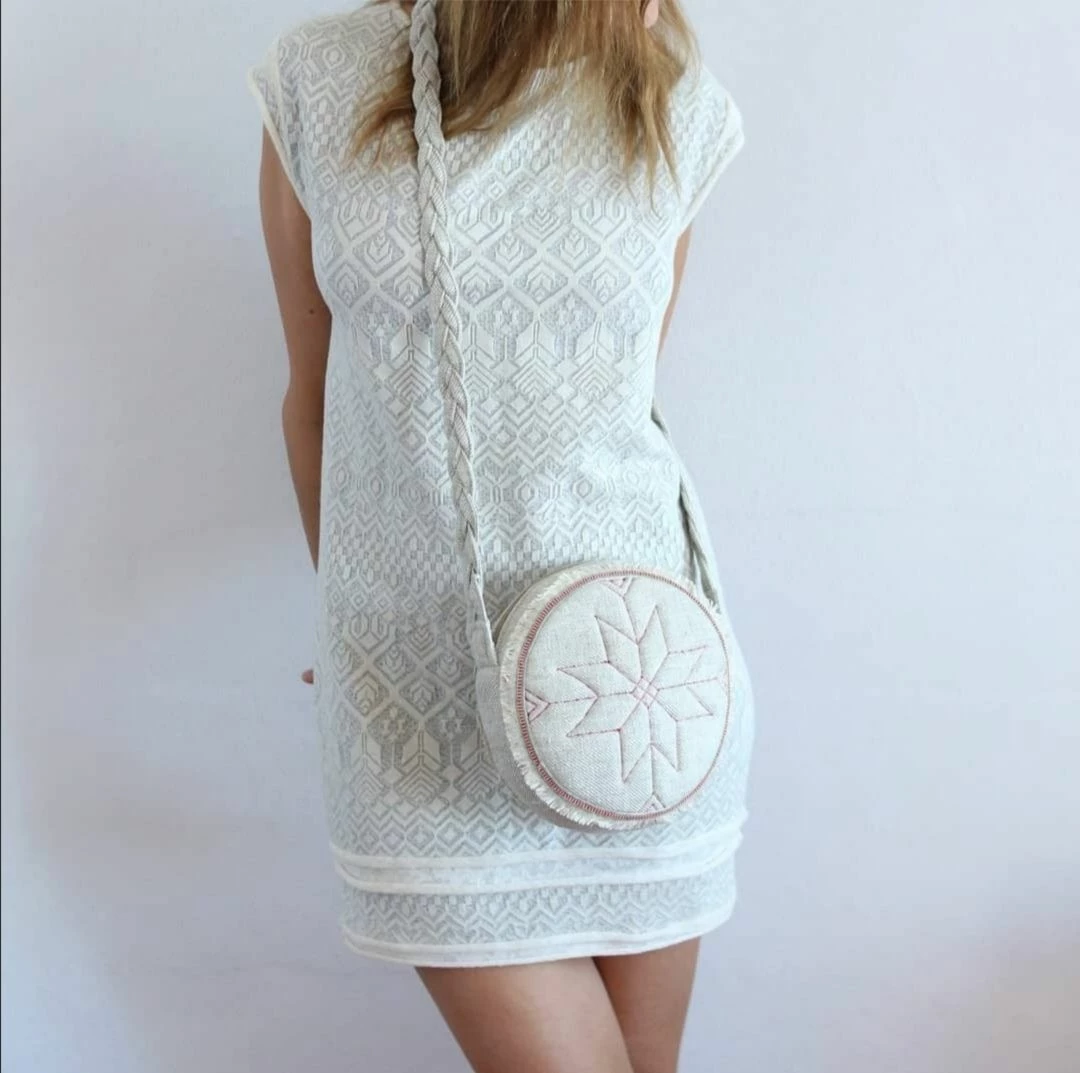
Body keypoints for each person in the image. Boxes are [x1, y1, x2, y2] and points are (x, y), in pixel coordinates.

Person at [247, 2, 755, 1070]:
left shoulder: (671, 100)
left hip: (636, 683)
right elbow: (314, 404)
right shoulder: (319, 81)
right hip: (415, 701)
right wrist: (350, 608)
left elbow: (621, 402)